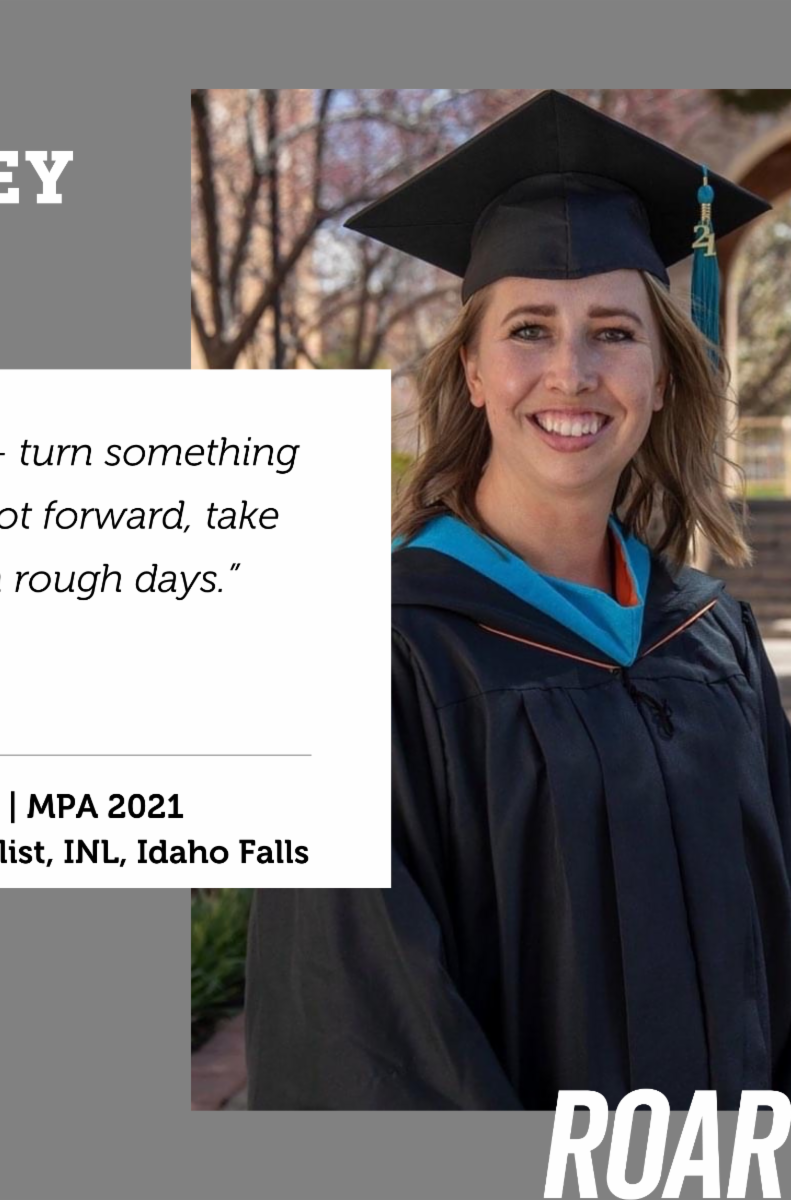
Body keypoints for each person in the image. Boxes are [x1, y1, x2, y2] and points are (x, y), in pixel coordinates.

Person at [245, 90, 791, 1111]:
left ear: (665, 373)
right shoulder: (382, 657)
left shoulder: (711, 638)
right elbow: (364, 1040)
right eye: (530, 330)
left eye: (615, 332)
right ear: (475, 369)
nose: (573, 373)